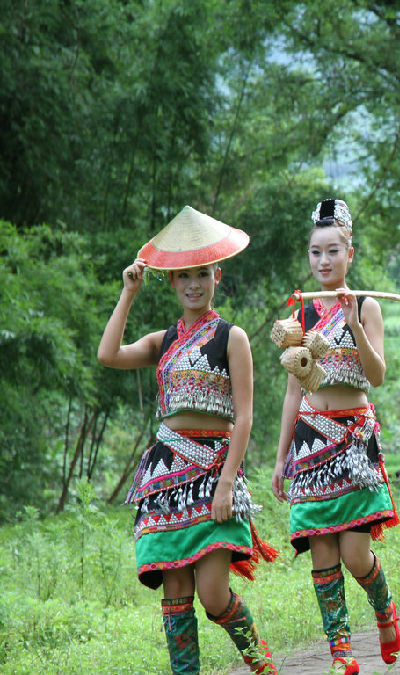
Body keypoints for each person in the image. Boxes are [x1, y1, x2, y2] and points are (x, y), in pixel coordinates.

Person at [97, 206, 277, 675]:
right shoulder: (161, 341)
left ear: (217, 276)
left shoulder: (231, 337)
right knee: (176, 596)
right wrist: (128, 293)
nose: (193, 284)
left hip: (215, 474)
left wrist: (225, 484)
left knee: (214, 596)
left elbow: (244, 416)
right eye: (183, 277)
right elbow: (108, 354)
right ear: (173, 284)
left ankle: (260, 662)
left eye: (202, 274)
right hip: (166, 477)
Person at [271, 199, 400, 675]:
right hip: (309, 439)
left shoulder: (366, 307)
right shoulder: (300, 315)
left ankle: (383, 607)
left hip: (353, 441)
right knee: (321, 551)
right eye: (314, 253)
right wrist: (282, 457)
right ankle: (340, 649)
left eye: (332, 252)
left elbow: (378, 374)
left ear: (350, 253)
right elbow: (291, 391)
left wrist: (352, 326)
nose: (323, 262)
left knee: (354, 554)